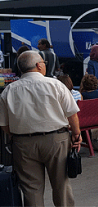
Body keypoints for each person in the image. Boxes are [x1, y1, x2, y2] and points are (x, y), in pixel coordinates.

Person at [0, 50, 82, 206]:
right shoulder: (55, 84)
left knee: (31, 189)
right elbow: (72, 115)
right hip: (56, 141)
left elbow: (3, 124)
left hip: (23, 144)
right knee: (61, 186)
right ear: (38, 65)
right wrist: (76, 135)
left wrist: (17, 134)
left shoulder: (8, 91)